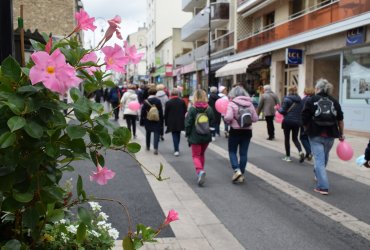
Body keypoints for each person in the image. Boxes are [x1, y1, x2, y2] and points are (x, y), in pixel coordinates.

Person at [302, 78, 344, 195]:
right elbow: (340, 119)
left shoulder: (311, 100)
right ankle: (317, 174)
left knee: (319, 160)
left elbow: (304, 118)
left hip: (315, 134)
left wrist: (306, 129)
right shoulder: (334, 101)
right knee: (324, 158)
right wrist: (341, 133)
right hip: (330, 135)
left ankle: (323, 187)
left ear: (318, 88)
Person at [224, 86, 258, 183]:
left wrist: (227, 119)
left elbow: (229, 117)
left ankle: (237, 170)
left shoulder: (231, 103)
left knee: (232, 151)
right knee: (243, 153)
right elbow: (255, 119)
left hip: (235, 131)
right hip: (247, 131)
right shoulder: (250, 104)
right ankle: (241, 173)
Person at [185, 89, 214, 186]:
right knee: (202, 154)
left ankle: (200, 171)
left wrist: (187, 133)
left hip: (195, 136)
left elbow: (188, 123)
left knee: (195, 155)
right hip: (206, 135)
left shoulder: (192, 109)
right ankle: (201, 170)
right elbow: (212, 121)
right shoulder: (209, 109)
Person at [278, 85, 305, 163]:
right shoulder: (300, 100)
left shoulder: (287, 99)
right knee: (295, 138)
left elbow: (282, 111)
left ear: (289, 91)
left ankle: (288, 157)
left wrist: (277, 108)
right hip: (297, 121)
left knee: (287, 138)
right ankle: (300, 151)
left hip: (288, 121)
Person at [140, 87, 164, 155]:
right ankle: (155, 148)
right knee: (156, 133)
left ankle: (148, 146)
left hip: (148, 119)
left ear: (148, 93)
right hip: (157, 119)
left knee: (148, 133)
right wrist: (162, 120)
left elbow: (143, 112)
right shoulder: (158, 101)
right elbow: (161, 111)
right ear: (155, 93)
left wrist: (142, 120)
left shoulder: (146, 101)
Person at [164, 88, 187, 156]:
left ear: (171, 94)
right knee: (178, 134)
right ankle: (177, 147)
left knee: (174, 134)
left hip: (171, 121)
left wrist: (166, 122)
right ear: (178, 94)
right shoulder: (182, 101)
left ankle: (176, 149)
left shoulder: (168, 102)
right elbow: (185, 111)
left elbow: (166, 113)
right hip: (180, 120)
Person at [300, 87, 315, 161]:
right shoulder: (315, 99)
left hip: (306, 121)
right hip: (314, 121)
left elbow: (302, 111)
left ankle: (309, 152)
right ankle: (308, 153)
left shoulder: (305, 99)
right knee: (308, 137)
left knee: (303, 137)